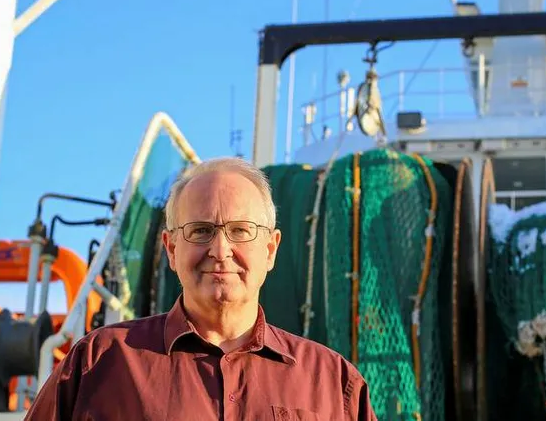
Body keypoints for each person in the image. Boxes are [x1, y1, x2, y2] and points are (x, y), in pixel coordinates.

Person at [25, 156, 377, 420]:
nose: (220, 250)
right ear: (172, 249)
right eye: (200, 231)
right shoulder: (99, 363)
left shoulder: (334, 384)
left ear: (270, 249)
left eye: (241, 230)